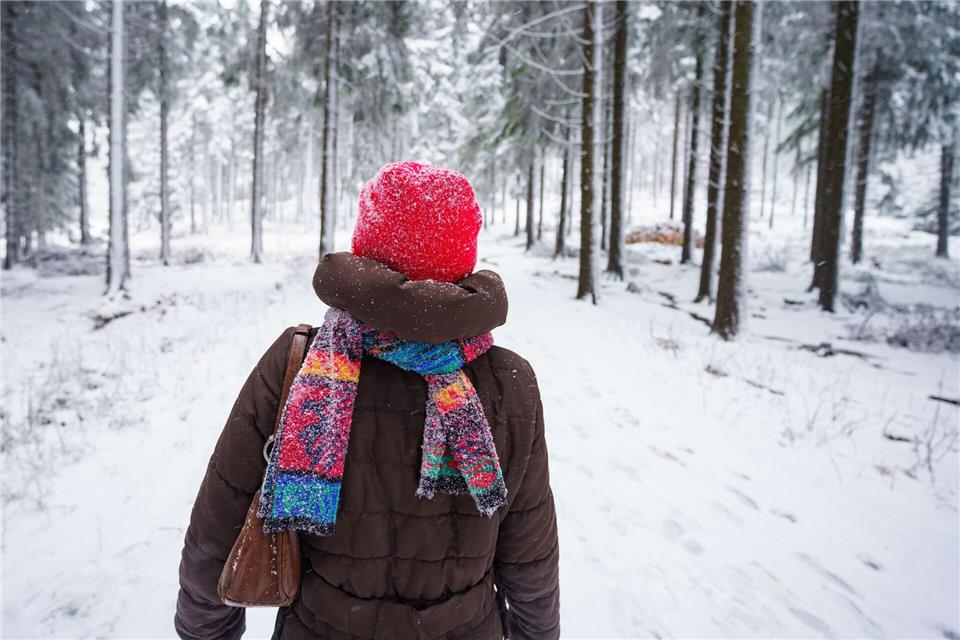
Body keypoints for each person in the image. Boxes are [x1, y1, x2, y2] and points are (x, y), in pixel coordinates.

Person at [175, 161, 560, 640]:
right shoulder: (510, 381)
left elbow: (219, 524)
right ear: (462, 260)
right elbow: (529, 552)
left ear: (367, 251)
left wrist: (205, 633)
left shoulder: (300, 362)